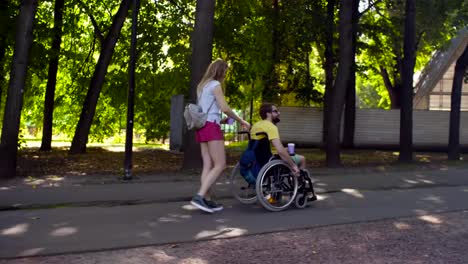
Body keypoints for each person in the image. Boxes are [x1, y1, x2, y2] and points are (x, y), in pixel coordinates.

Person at [191, 59, 251, 213]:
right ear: (220, 71)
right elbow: (225, 107)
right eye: (225, 71)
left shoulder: (202, 86)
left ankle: (207, 200)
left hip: (202, 126)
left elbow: (208, 109)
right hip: (211, 127)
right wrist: (242, 120)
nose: (225, 74)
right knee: (220, 165)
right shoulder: (216, 85)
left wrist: (222, 119)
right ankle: (199, 196)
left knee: (208, 165)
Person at [250, 103, 306, 176]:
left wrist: (284, 149)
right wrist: (293, 166)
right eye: (275, 111)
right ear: (268, 114)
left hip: (257, 159)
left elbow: (265, 146)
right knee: (302, 159)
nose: (279, 113)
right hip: (272, 159)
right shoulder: (271, 127)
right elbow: (280, 151)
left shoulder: (255, 126)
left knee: (285, 151)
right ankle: (298, 179)